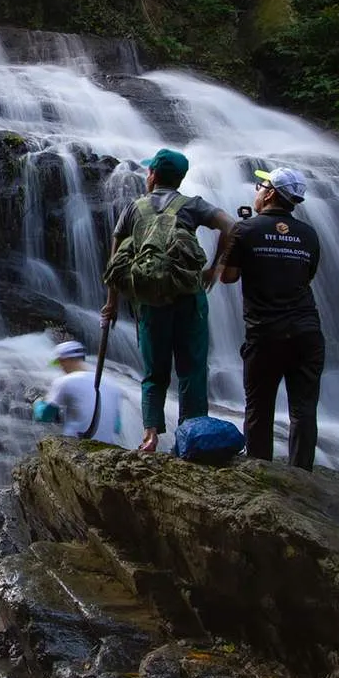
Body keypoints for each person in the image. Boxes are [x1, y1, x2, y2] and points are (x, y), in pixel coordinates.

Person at [100, 147, 234, 455]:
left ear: (153, 175)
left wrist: (111, 303)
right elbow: (231, 227)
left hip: (149, 299)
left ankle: (149, 436)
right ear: (181, 178)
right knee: (193, 367)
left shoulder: (133, 209)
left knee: (154, 370)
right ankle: (192, 433)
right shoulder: (193, 205)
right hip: (189, 296)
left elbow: (116, 261)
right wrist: (217, 266)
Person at [220, 166, 324, 471]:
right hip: (307, 331)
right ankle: (302, 475)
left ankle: (259, 471)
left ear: (269, 193)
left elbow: (228, 277)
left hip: (265, 333)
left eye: (259, 186)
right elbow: (308, 275)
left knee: (259, 408)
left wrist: (234, 243)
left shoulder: (246, 230)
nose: (256, 191)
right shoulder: (309, 234)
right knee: (304, 410)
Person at [33, 338, 125, 444]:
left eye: (59, 362)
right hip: (108, 447)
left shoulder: (65, 381)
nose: (60, 367)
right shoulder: (112, 384)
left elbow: (45, 415)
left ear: (64, 360)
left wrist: (38, 404)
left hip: (77, 447)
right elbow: (117, 427)